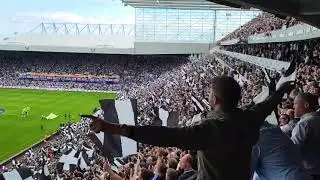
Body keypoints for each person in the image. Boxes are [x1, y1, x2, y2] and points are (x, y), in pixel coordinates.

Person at [85, 76, 294, 180]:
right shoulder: (250, 118)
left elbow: (162, 135)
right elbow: (267, 104)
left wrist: (109, 127)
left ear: (216, 99)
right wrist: (282, 89)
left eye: (211, 94)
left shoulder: (210, 130)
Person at [291, 92, 320, 179]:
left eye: (295, 104)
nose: (293, 107)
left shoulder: (303, 125)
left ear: (306, 105)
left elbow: (293, 149)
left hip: (311, 171)